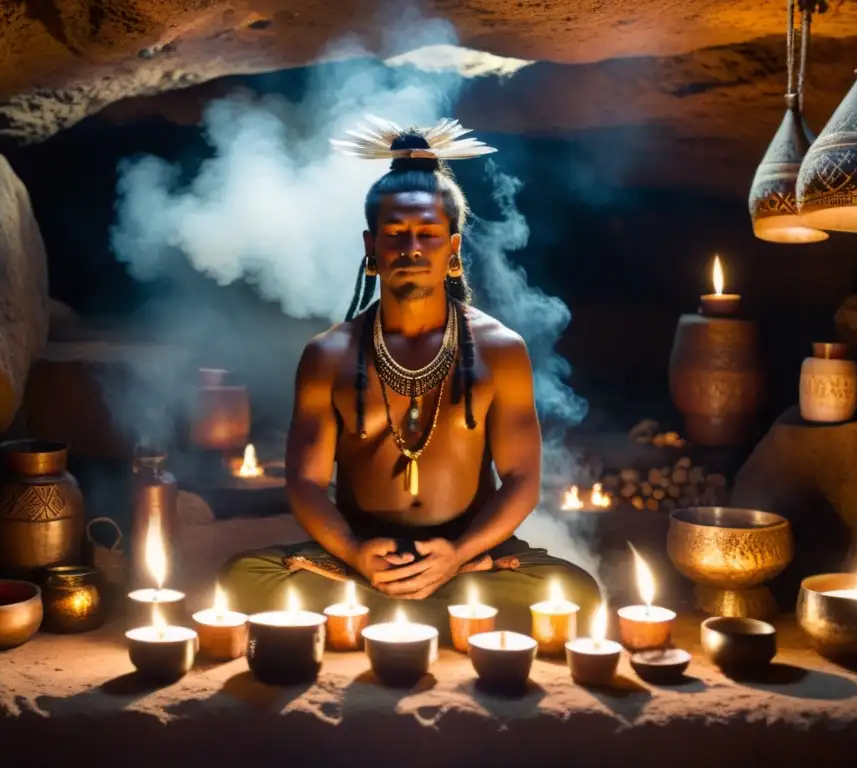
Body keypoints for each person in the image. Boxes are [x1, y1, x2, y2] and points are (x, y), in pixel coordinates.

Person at [222, 117, 600, 637]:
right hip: (362, 555)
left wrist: (457, 554)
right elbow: (306, 483)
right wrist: (355, 552)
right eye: (395, 234)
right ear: (370, 247)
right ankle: (444, 618)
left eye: (427, 234)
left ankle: (374, 618)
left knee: (576, 593)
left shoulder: (500, 350)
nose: (412, 248)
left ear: (453, 249)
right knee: (243, 578)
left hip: (466, 555)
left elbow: (521, 481)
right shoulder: (328, 354)